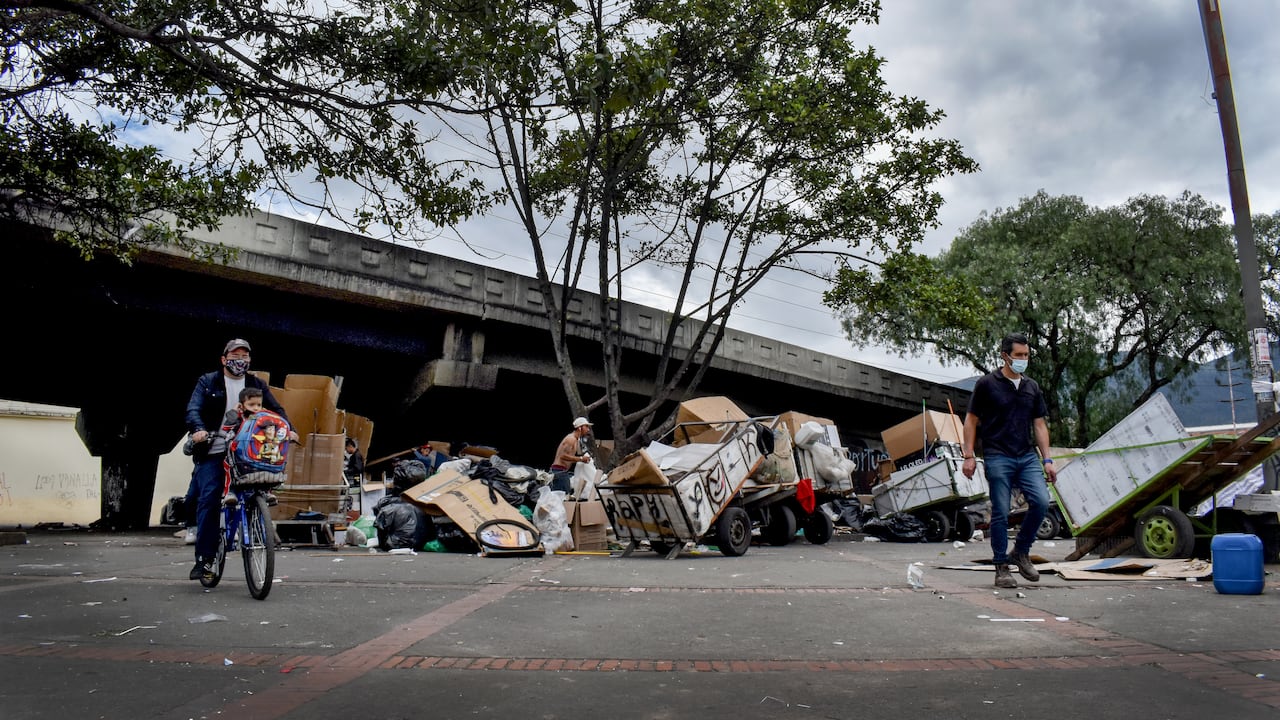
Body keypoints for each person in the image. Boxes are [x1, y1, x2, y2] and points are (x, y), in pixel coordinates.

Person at [183, 339, 296, 582]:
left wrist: (290, 429)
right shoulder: (208, 382)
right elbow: (194, 409)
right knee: (209, 498)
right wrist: (199, 430)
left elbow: (277, 411)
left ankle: (257, 510)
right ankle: (205, 559)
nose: (241, 360)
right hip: (215, 449)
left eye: (245, 356)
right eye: (236, 355)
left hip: (247, 451)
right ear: (224, 359)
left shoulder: (256, 384)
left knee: (263, 479)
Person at [961, 332, 1058, 589]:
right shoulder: (986, 384)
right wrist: (969, 455)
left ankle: (1021, 551)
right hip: (997, 455)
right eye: (1019, 355)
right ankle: (1001, 566)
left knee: (1041, 501)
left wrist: (1048, 459)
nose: (1023, 359)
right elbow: (971, 420)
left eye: (1026, 355)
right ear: (1005, 355)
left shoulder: (1031, 387)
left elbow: (1039, 424)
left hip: (1026, 456)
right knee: (1001, 512)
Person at [549, 416, 593, 494]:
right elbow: (562, 456)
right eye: (586, 426)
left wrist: (581, 460)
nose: (588, 429)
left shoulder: (576, 439)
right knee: (561, 497)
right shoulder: (571, 439)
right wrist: (581, 458)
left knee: (564, 496)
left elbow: (569, 458)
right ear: (579, 428)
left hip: (562, 472)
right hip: (559, 472)